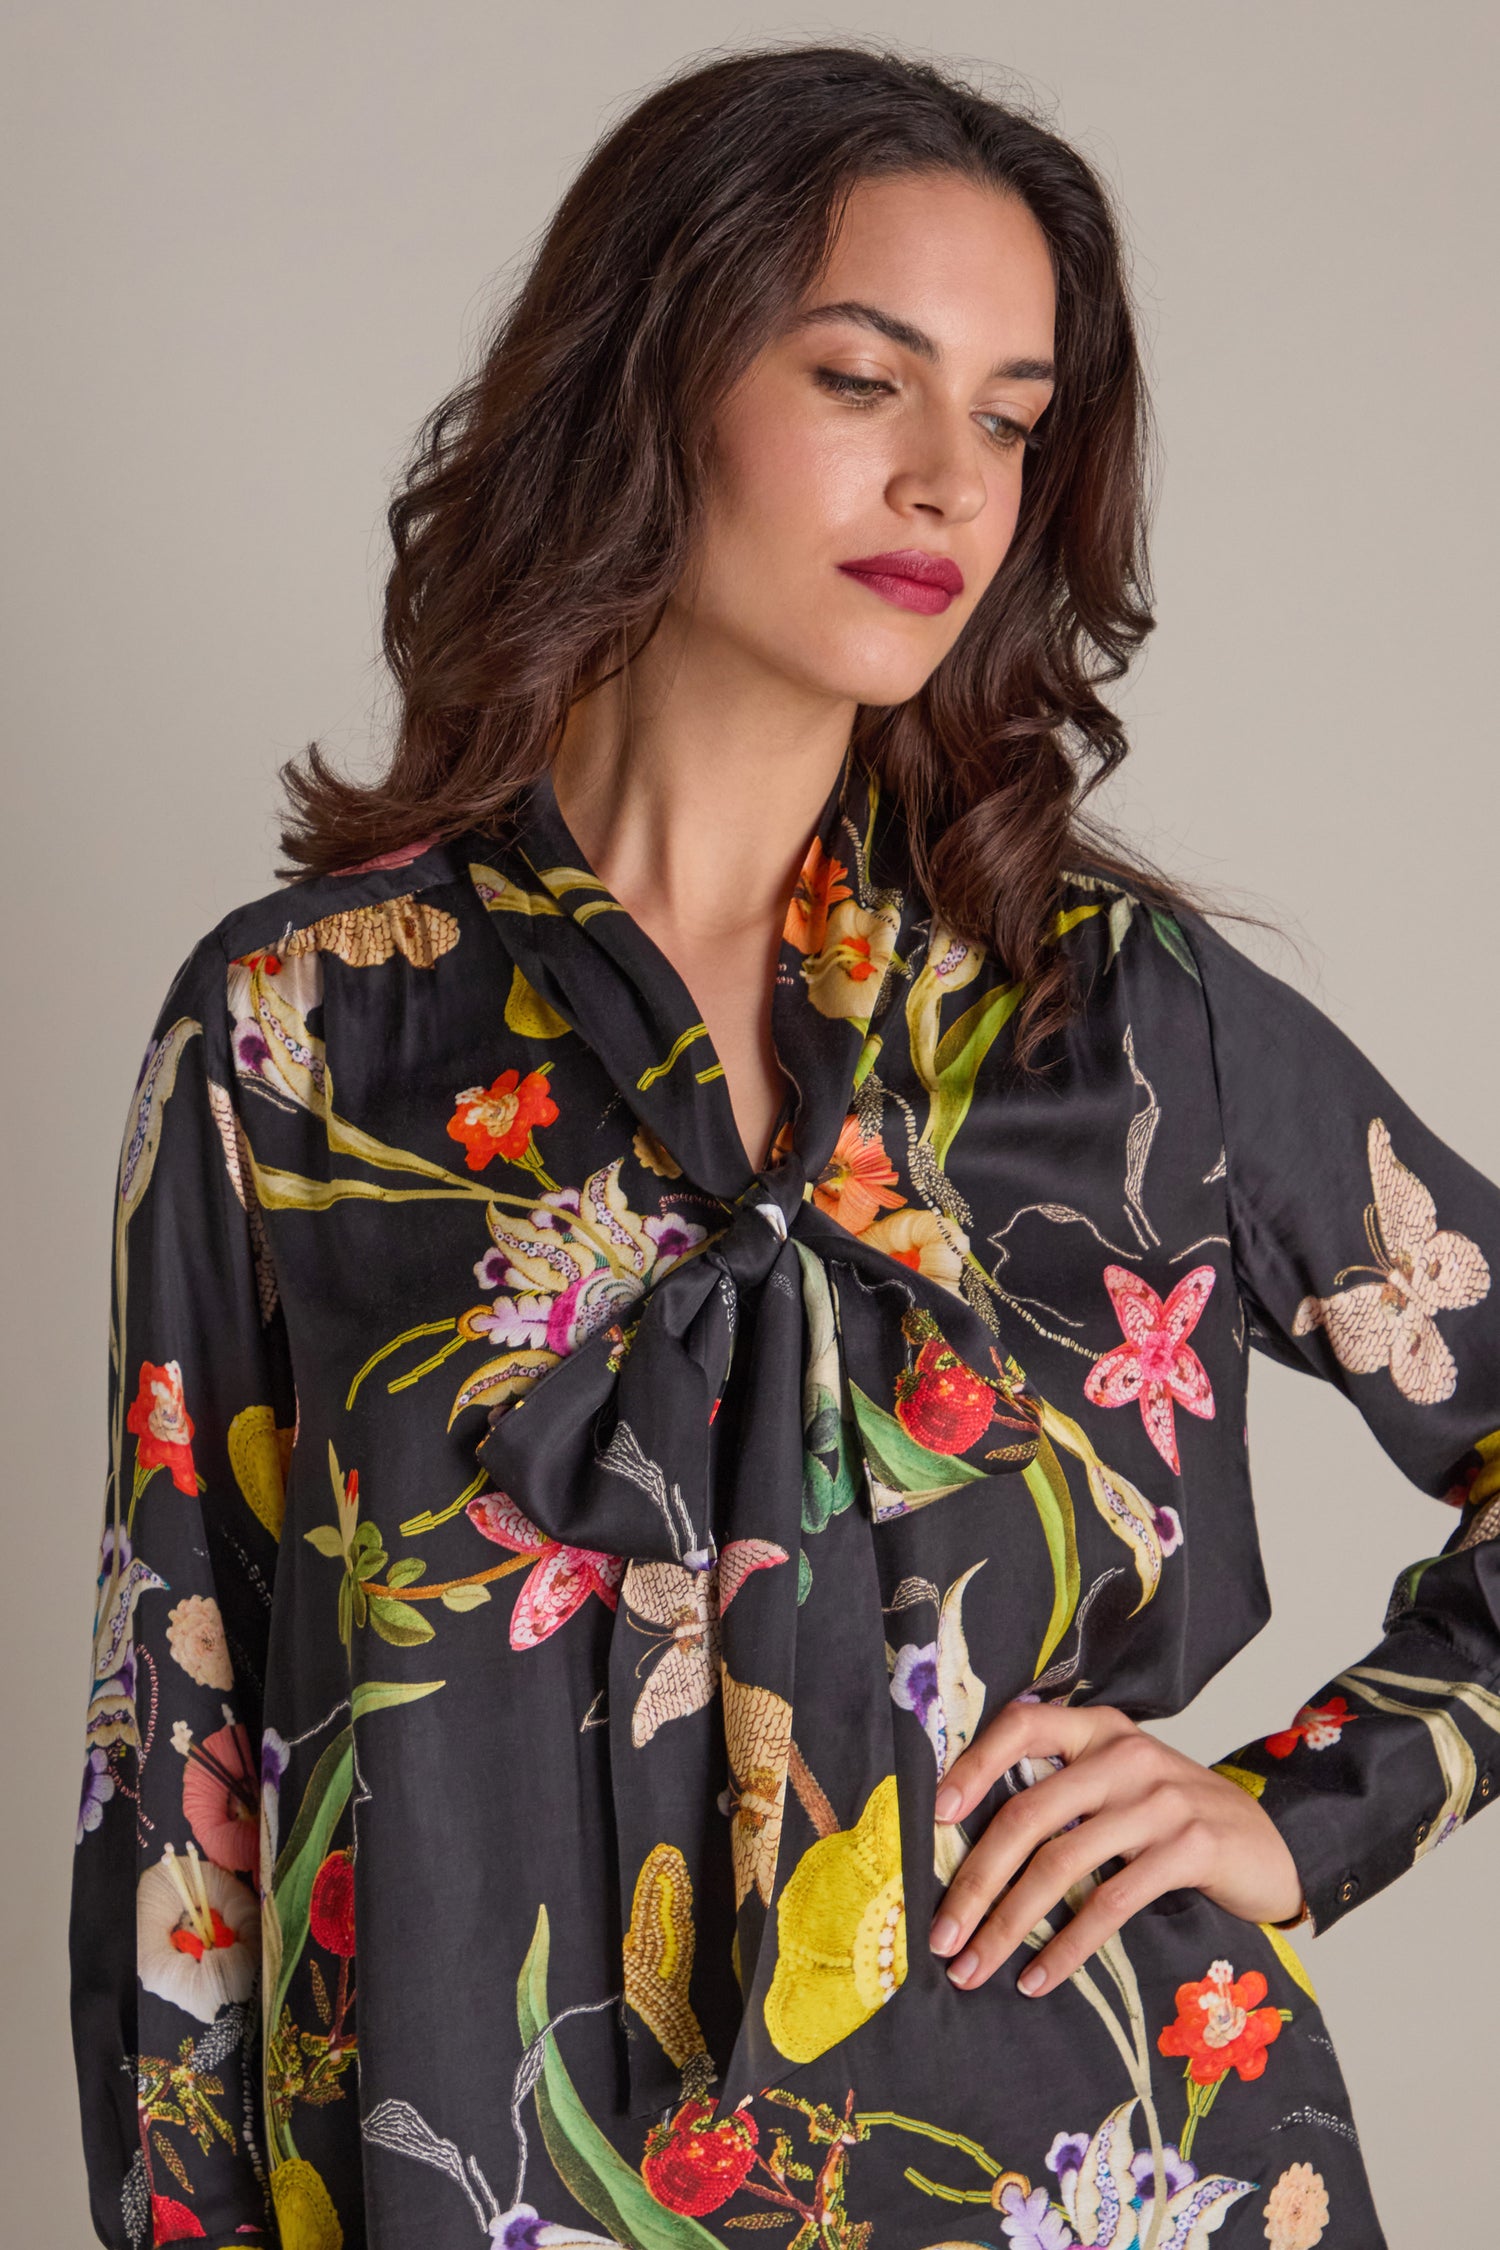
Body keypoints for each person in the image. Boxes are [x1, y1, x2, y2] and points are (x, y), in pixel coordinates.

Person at [69, 39, 1500, 2250]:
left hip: (1106, 2181)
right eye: (867, 378)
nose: (951, 481)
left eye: (1013, 421)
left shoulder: (1117, 1022)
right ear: (653, 383)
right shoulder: (305, 1040)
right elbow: (182, 1794)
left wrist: (1295, 1811)